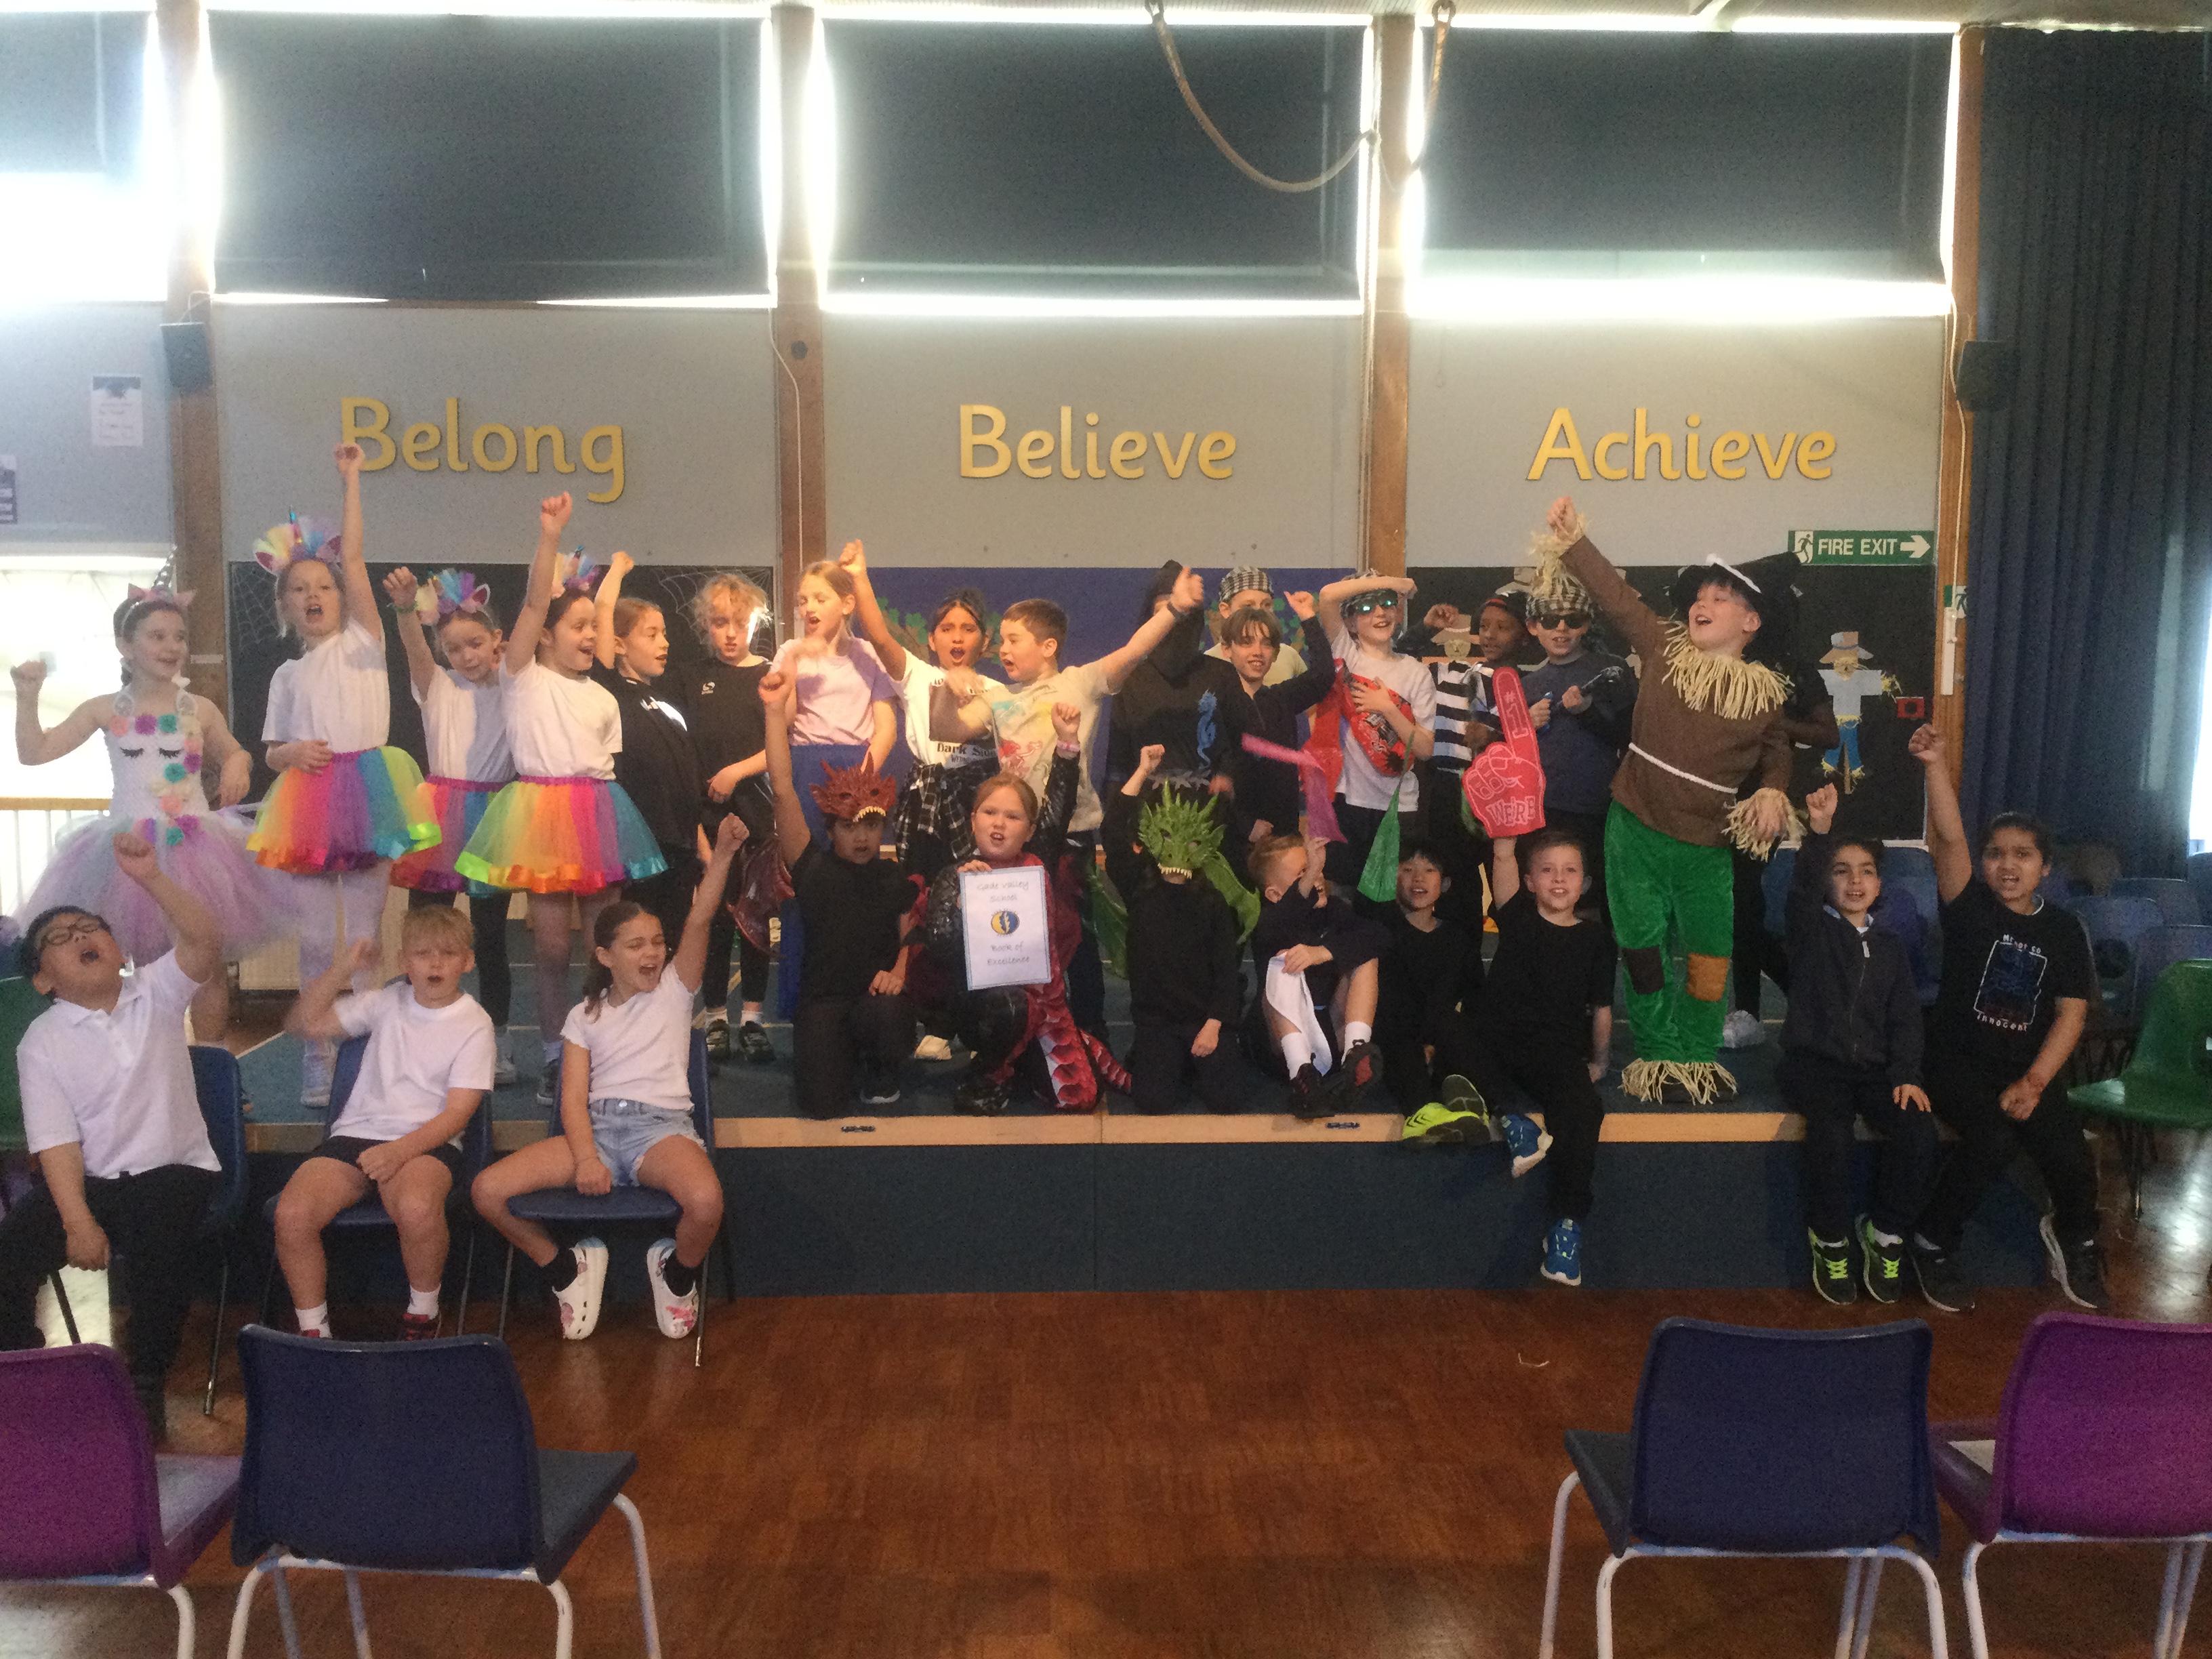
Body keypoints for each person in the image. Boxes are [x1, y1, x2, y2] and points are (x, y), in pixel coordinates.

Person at [1528, 495, 1796, 1104]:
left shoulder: (1764, 693)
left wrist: (1774, 788)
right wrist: (1573, 541)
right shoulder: (1665, 649)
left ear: (1751, 622)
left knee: (1709, 957)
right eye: (1701, 596)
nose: (1704, 603)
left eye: (1721, 598)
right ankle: (1657, 1056)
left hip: (1707, 847)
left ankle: (1696, 1059)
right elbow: (1617, 598)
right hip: (1637, 831)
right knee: (1644, 952)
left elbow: (1777, 746)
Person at [472, 815, 745, 1342]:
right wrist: (586, 1158)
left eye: (657, 942)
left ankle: (676, 1275)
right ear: (604, 955)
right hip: (595, 1129)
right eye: (636, 945)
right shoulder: (584, 1016)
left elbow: (700, 918)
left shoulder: (674, 991)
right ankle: (565, 1269)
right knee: (488, 1191)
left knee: (706, 1202)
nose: (652, 953)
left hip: (659, 1131)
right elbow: (573, 1100)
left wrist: (727, 853)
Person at [0, 832, 224, 1438]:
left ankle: (144, 1383)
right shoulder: (41, 1043)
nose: (80, 937)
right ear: (43, 981)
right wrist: (77, 1221)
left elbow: (204, 940)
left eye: (89, 928)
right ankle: (25, 1368)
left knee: (160, 1239)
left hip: (174, 1170)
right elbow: (56, 1143)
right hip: (93, 1183)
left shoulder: (156, 991)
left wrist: (151, 877)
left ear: (117, 948)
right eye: (59, 939)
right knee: (9, 1253)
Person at [455, 493, 667, 1108]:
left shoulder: (602, 698)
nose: (589, 636)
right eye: (577, 627)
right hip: (542, 818)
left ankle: (609, 1048)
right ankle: (555, 1055)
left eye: (593, 627)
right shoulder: (522, 676)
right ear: (545, 636)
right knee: (550, 949)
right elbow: (531, 603)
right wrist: (549, 536)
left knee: (608, 945)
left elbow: (607, 766)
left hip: (598, 814)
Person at [930, 568, 1210, 1033]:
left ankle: (1088, 1032)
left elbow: (1133, 651)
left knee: (1074, 939)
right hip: (1016, 838)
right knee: (1019, 935)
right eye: (1002, 640)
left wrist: (1176, 610)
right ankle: (1022, 1029)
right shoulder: (998, 698)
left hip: (1070, 836)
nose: (1003, 649)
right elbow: (945, 728)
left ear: (1048, 646)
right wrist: (945, 688)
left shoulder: (1079, 683)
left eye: (1014, 639)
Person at [249, 443, 438, 1103]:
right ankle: (317, 1053)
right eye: (299, 590)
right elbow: (271, 750)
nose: (314, 595)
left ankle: (367, 1049)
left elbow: (353, 556)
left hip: (369, 793)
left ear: (341, 599)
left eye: (323, 586)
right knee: (311, 938)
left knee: (364, 935)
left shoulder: (364, 642)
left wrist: (351, 479)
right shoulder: (286, 674)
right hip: (307, 800)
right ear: (285, 606)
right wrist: (290, 755)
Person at [1903, 724, 2105, 1314]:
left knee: (2070, 1153)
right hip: (1956, 1063)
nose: (2007, 866)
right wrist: (1935, 764)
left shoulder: (2064, 930)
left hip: (2027, 1067)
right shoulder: (1969, 908)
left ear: (2045, 868)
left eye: (2023, 855)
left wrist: (2036, 1082)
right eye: (1996, 854)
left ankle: (2077, 1240)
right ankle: (1932, 1240)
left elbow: (2070, 1015)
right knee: (1991, 1140)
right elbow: (1948, 837)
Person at [13, 584, 266, 1044]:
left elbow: (235, 752)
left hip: (198, 849)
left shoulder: (201, 709)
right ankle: (159, 1059)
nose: (172, 647)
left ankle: (213, 1063)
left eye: (179, 637)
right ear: (125, 647)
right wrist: (28, 697)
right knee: (149, 968)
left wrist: (236, 764)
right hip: (130, 853)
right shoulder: (104, 708)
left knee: (207, 965)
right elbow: (35, 753)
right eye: (157, 636)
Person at [272, 907, 494, 1338]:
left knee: (416, 1207)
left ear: (467, 962)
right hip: (356, 1135)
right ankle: (313, 1329)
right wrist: (344, 968)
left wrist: (398, 1151)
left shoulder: (475, 1023)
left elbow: (457, 1114)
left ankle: (423, 1312)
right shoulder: (385, 1002)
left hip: (426, 1142)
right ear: (404, 962)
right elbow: (302, 1024)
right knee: (292, 1213)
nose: (434, 964)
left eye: (448, 954)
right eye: (423, 954)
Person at [1779, 784, 1936, 1306]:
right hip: (1815, 1065)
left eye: (1866, 871)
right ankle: (1830, 1240)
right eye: (1841, 870)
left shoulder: (1890, 948)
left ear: (1880, 883)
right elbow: (1803, 889)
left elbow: (1906, 1021)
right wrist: (1820, 830)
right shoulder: (1810, 931)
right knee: (1831, 1136)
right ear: (1827, 880)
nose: (1854, 881)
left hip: (1873, 1072)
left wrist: (1907, 1074)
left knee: (1918, 1133)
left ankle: (1885, 1234)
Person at [918, 728, 1128, 1115]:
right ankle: (990, 1071)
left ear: (1030, 830)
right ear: (973, 820)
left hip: (1045, 1006)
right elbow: (940, 948)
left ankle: (1039, 1058)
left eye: (1013, 817)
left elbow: (1057, 809)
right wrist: (963, 903)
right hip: (986, 1007)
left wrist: (1067, 748)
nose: (999, 824)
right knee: (1011, 1006)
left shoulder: (1037, 864)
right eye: (990, 813)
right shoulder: (956, 875)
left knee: (1080, 1097)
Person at [760, 662, 920, 1117]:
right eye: (850, 827)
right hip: (824, 1001)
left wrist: (899, 972)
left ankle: (879, 1065)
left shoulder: (892, 877)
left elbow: (912, 935)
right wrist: (774, 712)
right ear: (830, 830)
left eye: (871, 826)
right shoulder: (812, 868)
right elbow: (783, 789)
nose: (862, 837)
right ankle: (842, 1054)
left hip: (875, 1000)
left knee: (889, 1016)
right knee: (822, 1106)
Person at [1462, 831, 1617, 1286]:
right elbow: (1503, 862)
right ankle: (1513, 1119)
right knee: (1456, 1034)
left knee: (1584, 1110)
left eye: (1570, 871)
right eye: (1547, 870)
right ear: (1530, 881)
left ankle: (1567, 1226)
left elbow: (1602, 1007)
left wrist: (1600, 1061)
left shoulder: (1595, 939)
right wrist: (1505, 844)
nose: (1558, 879)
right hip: (1498, 1040)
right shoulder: (1518, 920)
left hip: (1555, 1051)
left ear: (1585, 883)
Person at [384, 567, 518, 1087]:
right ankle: (417, 1035)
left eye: (475, 644)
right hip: (440, 820)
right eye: (454, 648)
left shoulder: (514, 687)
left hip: (493, 818)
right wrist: (405, 609)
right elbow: (414, 648)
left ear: (497, 641)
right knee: (425, 931)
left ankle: (497, 1042)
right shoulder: (437, 686)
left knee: (491, 937)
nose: (466, 656)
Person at [666, 573, 775, 1065]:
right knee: (711, 921)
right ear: (705, 625)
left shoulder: (770, 675)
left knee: (755, 922)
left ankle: (752, 1017)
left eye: (740, 622)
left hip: (757, 817)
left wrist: (736, 772)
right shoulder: (691, 678)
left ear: (756, 622)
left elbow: (781, 744)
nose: (730, 633)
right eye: (719, 623)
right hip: (706, 820)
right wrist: (696, 826)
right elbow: (682, 751)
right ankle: (714, 1015)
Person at [1106, 745, 1246, 1114]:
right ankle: (1165, 1058)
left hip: (1205, 1017)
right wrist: (1142, 772)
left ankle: (1196, 1059)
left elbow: (1227, 969)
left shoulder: (1213, 899)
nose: (1179, 848)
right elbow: (1113, 831)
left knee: (1228, 1100)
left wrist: (1215, 1024)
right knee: (1154, 1102)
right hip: (1158, 1022)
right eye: (1167, 836)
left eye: (1192, 841)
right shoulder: (1139, 886)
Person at [592, 552, 709, 957]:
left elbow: (683, 783)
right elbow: (603, 611)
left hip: (680, 848)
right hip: (640, 849)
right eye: (652, 634)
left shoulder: (668, 704)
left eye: (665, 634)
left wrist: (701, 847)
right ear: (619, 644)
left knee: (670, 946)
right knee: (636, 945)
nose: (665, 643)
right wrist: (616, 573)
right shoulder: (610, 691)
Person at [1725, 654, 1838, 1051]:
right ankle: (1805, 1001)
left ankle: (1751, 1013)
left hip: (1760, 800)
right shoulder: (1702, 658)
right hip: (1703, 798)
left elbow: (1829, 733)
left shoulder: (1790, 664)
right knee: (1722, 911)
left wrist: (1768, 720)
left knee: (1744, 905)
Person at [1309, 573, 1437, 902]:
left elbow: (1425, 749)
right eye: (1366, 607)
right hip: (1350, 802)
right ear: (1351, 622)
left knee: (1394, 900)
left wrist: (1387, 708)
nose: (1380, 613)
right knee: (1344, 896)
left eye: (1388, 604)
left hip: (1399, 806)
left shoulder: (1416, 672)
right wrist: (1394, 583)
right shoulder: (1347, 655)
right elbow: (1328, 595)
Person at [1246, 831, 1387, 1117]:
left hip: (1330, 1032)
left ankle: (1355, 1053)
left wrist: (1324, 952)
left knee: (1364, 955)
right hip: (1283, 1046)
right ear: (1275, 894)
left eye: (1317, 869)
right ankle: (1302, 1076)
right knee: (1283, 962)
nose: (1317, 877)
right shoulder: (1269, 921)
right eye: (1304, 873)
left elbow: (1380, 936)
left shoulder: (1334, 911)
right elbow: (1276, 928)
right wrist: (1309, 877)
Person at [1519, 596, 1635, 916]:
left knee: (1595, 901)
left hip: (1597, 808)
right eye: (1550, 620)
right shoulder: (1527, 684)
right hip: (1541, 810)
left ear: (1586, 625)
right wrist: (1524, 725)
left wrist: (1587, 712)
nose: (1561, 628)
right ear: (1533, 627)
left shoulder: (1610, 669)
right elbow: (1510, 754)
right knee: (1543, 899)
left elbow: (1632, 735)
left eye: (1572, 620)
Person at [1106, 563, 1252, 796]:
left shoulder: (1221, 674)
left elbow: (1241, 743)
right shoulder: (1131, 678)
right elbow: (1118, 762)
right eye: (1164, 613)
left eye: (1183, 613)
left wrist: (1228, 776)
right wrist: (1117, 811)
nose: (1173, 623)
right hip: (1145, 811)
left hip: (1210, 811)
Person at [1427, 588, 1532, 910]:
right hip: (1449, 793)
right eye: (1484, 626)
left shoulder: (1531, 684)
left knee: (1508, 892)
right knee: (1454, 893)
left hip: (1502, 799)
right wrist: (1427, 627)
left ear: (1525, 635)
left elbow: (1532, 750)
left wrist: (1494, 737)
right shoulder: (1455, 673)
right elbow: (1402, 655)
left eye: (1503, 627)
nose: (1489, 635)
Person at [1378, 839, 1488, 1130]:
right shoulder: (1382, 934)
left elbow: (1476, 997)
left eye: (1429, 870)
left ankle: (1481, 1105)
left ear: (1446, 884)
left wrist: (1437, 1044)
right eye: (1407, 869)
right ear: (1393, 878)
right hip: (1399, 1036)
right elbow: (1388, 1008)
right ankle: (1422, 1112)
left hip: (1439, 1033)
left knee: (1458, 1030)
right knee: (1401, 1045)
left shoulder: (1457, 939)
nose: (1418, 878)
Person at [1221, 590, 1334, 852]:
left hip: (1284, 838)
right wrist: (1245, 825)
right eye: (1246, 643)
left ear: (1275, 653)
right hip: (1235, 843)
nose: (1257, 652)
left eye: (1266, 644)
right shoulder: (1215, 707)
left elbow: (1324, 675)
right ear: (1227, 649)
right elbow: (1209, 779)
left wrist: (1308, 616)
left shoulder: (1281, 699)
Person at [1206, 567, 1307, 687]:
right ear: (1226, 610)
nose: (1259, 612)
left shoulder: (1288, 656)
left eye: (1266, 605)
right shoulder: (1209, 662)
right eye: (1248, 606)